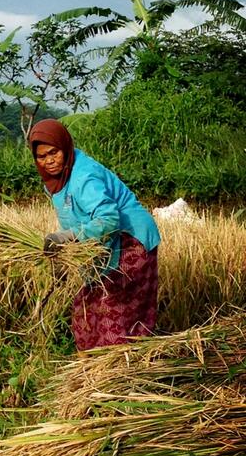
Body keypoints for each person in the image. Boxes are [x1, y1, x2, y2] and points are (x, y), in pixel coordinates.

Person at [28, 118, 160, 351]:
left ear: (65, 147)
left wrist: (66, 237)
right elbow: (76, 217)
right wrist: (65, 255)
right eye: (41, 156)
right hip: (103, 243)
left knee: (113, 309)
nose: (49, 161)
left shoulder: (83, 177)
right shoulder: (57, 180)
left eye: (54, 152)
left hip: (130, 240)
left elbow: (109, 219)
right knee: (85, 309)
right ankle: (88, 371)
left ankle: (119, 372)